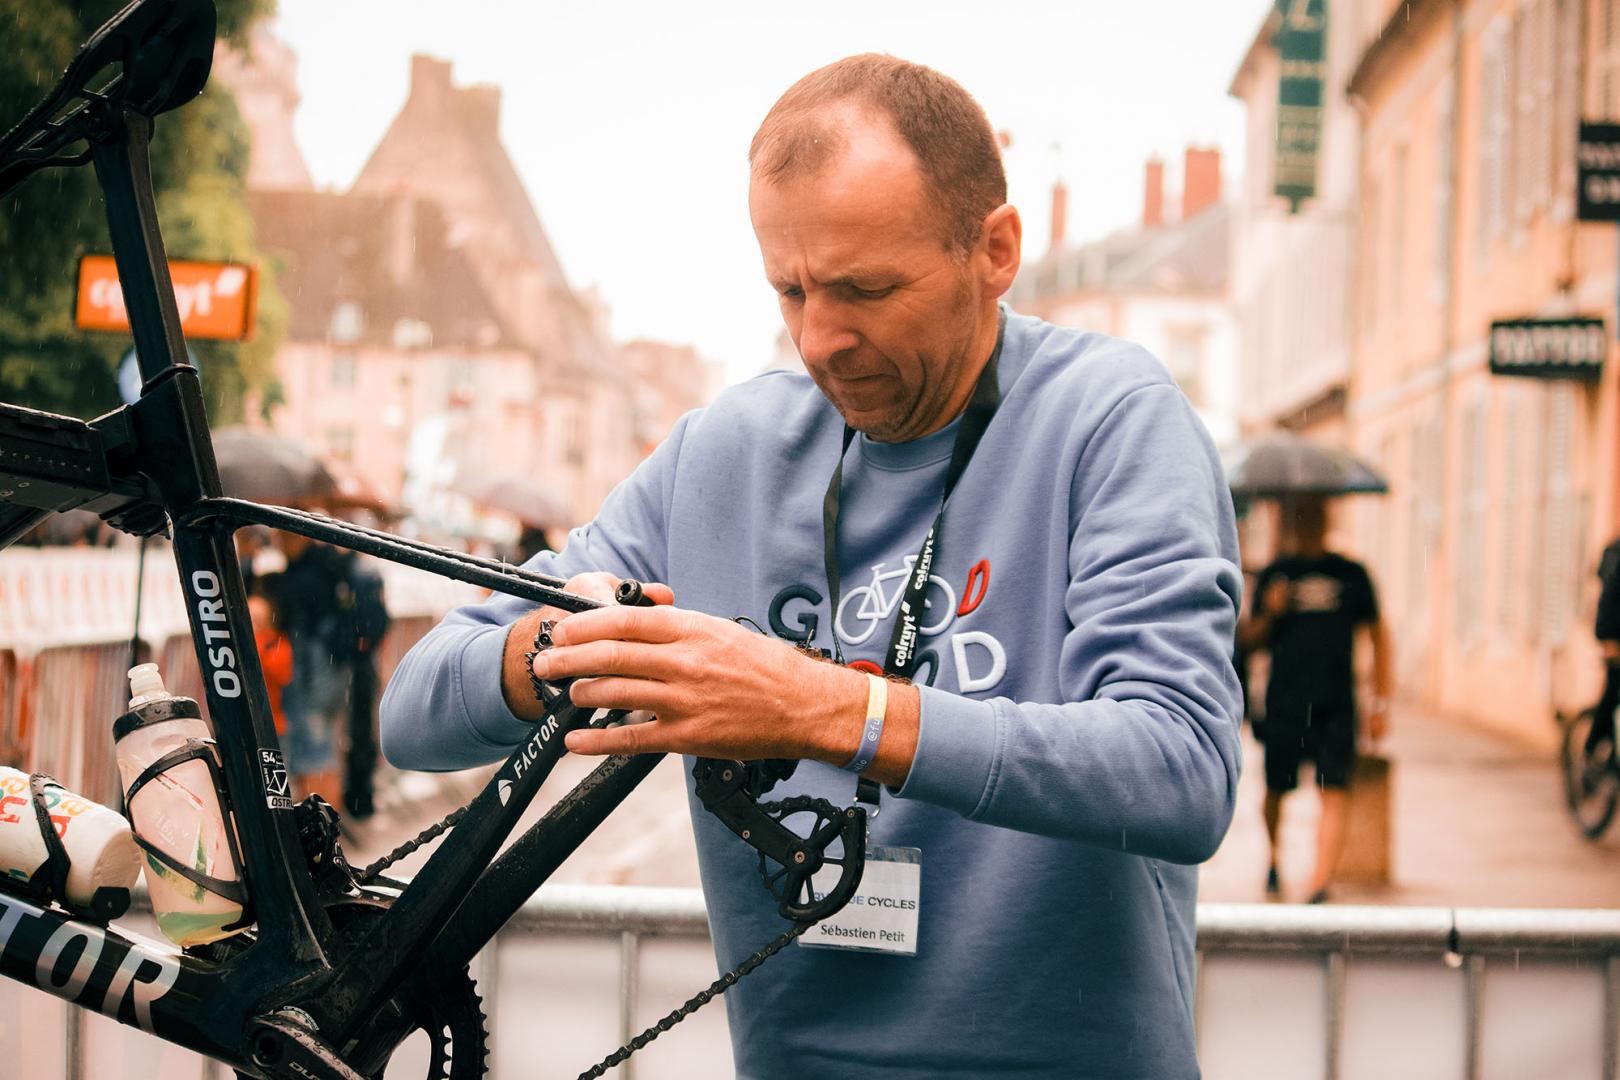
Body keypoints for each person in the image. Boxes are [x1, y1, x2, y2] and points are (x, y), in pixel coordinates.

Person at [381, 54, 1242, 1079]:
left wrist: (829, 710)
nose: (821, 338)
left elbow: (1182, 769)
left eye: (866, 288)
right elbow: (413, 716)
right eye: (789, 289)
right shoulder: (722, 453)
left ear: (996, 249)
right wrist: (556, 649)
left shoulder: (1111, 417)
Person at [1239, 495, 1391, 904]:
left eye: (1315, 517)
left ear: (1326, 521)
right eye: (1300, 517)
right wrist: (1272, 613)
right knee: (1275, 792)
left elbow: (1379, 634)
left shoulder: (1352, 574)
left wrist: (1381, 702)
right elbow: (1247, 643)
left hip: (1335, 705)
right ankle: (1273, 859)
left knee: (1334, 789)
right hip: (1284, 705)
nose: (1308, 526)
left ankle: (1319, 881)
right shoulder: (1276, 574)